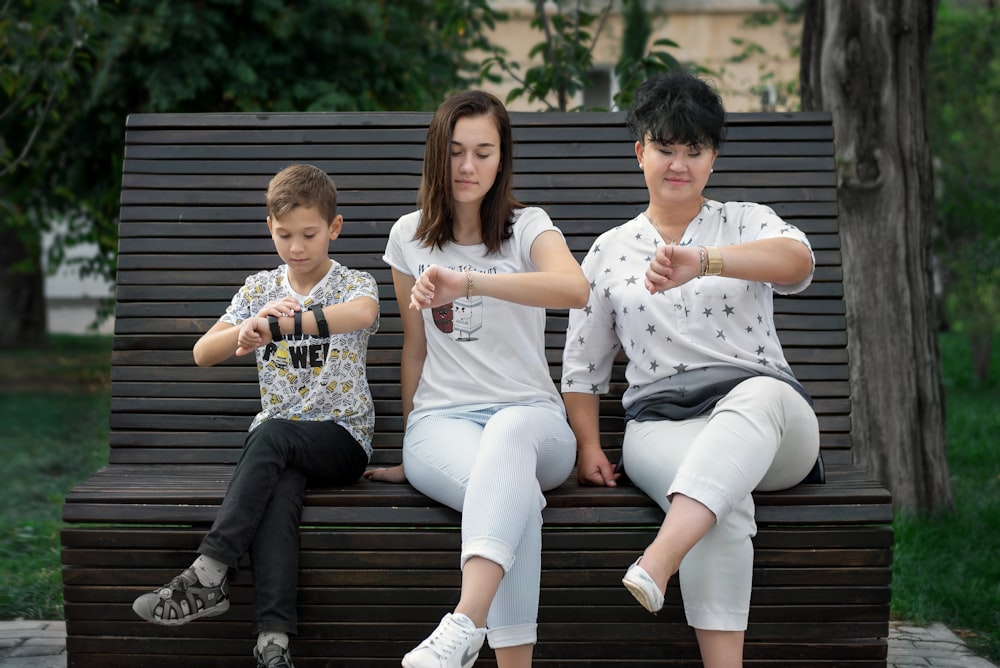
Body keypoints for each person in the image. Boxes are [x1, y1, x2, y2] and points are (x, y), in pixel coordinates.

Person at [561, 70, 821, 668]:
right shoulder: (610, 250)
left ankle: (658, 561)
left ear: (712, 158)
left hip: (774, 425)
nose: (677, 164)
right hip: (661, 427)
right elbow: (584, 365)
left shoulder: (746, 221)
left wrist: (703, 262)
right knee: (717, 500)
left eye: (693, 151)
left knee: (757, 398)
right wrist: (589, 445)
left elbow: (799, 260)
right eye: (664, 148)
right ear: (639, 152)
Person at [363, 90, 590, 668]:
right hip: (444, 424)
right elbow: (414, 348)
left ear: (501, 157)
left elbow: (574, 288)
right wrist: (413, 441)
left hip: (536, 423)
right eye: (456, 151)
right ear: (437, 155)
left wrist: (470, 282)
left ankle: (464, 622)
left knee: (511, 442)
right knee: (516, 499)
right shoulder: (409, 236)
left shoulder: (526, 228)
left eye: (483, 152)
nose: (467, 167)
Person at [131, 164, 380, 668]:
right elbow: (204, 352)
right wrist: (248, 326)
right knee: (278, 492)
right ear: (270, 226)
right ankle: (274, 644)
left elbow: (364, 315)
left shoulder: (354, 282)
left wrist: (284, 327)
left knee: (270, 436)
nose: (296, 247)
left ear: (333, 228)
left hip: (341, 440)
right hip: (277, 450)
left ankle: (208, 573)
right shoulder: (259, 287)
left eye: (309, 234)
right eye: (284, 234)